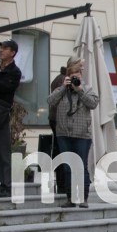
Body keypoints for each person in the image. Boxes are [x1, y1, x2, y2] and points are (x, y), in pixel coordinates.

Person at [47, 56, 99, 207]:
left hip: (82, 135)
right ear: (69, 75)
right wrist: (64, 87)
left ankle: (83, 198)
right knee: (68, 166)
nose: (77, 76)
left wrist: (80, 90)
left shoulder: (87, 88)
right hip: (63, 133)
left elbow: (94, 103)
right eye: (74, 74)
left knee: (81, 165)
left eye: (79, 73)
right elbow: (50, 101)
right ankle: (70, 198)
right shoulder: (62, 89)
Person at [0, 40, 22, 198]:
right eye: (0, 47)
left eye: (4, 48)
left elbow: (6, 88)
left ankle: (6, 186)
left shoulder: (15, 72)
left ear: (13, 52)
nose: (1, 50)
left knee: (2, 150)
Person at [49, 66, 68, 195]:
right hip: (60, 121)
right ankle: (62, 184)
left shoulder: (58, 79)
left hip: (55, 119)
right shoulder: (62, 81)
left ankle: (62, 183)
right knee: (62, 151)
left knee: (59, 150)